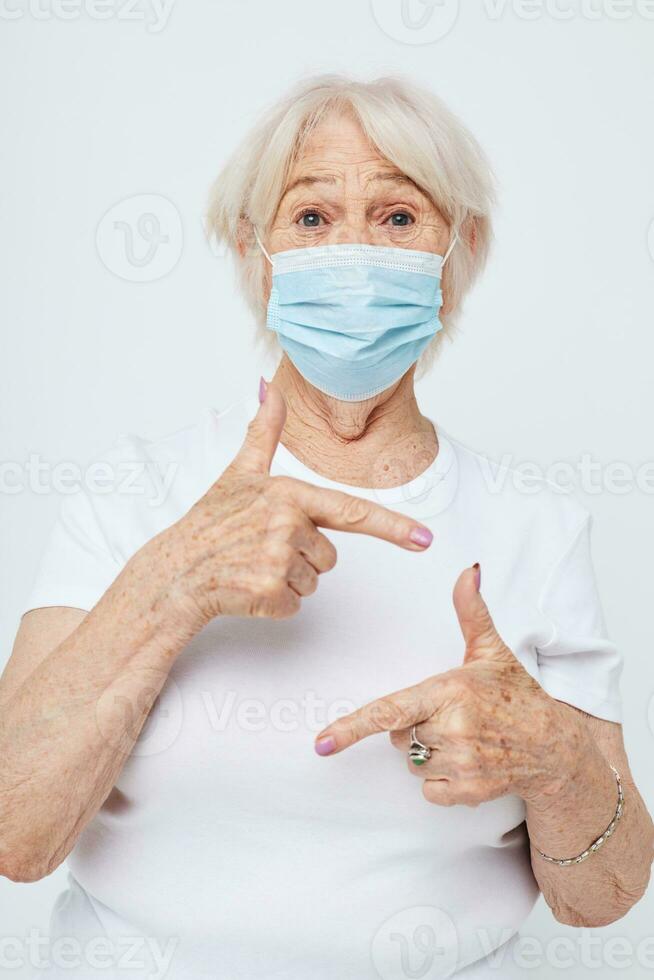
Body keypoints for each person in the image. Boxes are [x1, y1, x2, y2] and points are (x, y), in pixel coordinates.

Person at [1, 75, 652, 979]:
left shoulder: (537, 527)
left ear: (459, 254)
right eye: (310, 218)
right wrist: (175, 583)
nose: (355, 253)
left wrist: (550, 756)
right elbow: (14, 837)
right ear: (252, 250)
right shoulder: (133, 492)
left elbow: (604, 897)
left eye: (397, 218)